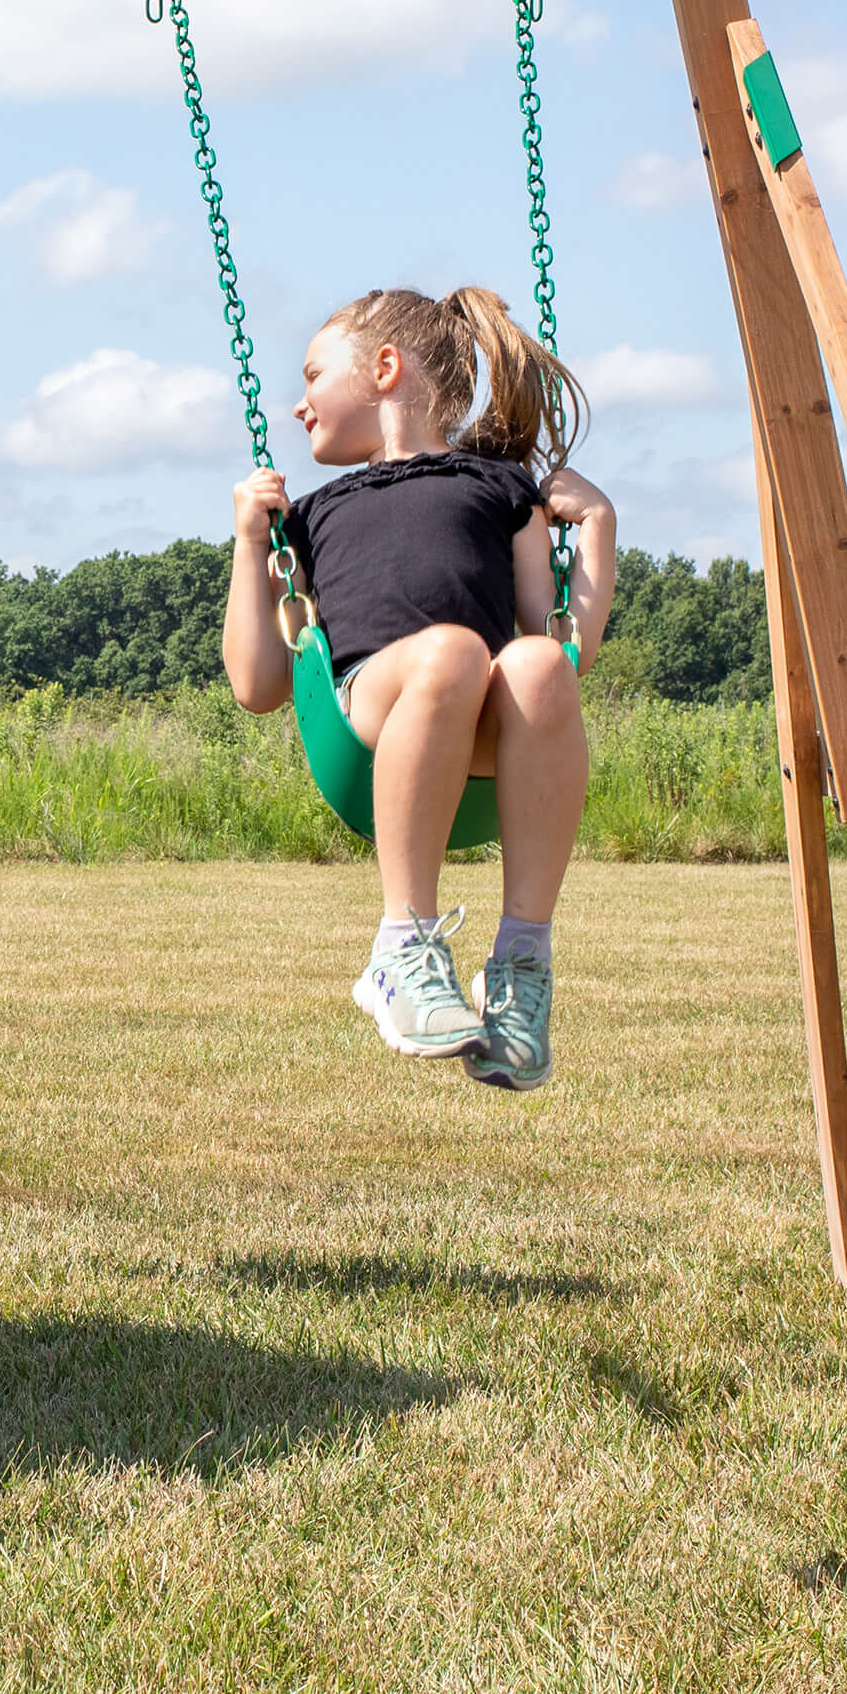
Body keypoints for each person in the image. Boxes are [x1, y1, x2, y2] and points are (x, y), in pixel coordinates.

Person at [223, 286, 616, 1093]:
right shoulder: (314, 516)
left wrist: (599, 527)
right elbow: (258, 684)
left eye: (312, 375)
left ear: (385, 370)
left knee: (532, 665)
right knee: (449, 655)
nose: (297, 405)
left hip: (481, 734)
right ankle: (403, 944)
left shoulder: (503, 490)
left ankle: (521, 965)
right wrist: (248, 543)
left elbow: (563, 647)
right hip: (367, 724)